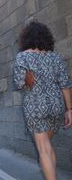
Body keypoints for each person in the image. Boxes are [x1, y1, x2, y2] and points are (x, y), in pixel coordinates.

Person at [14, 21, 72, 180]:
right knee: (47, 145)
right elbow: (65, 84)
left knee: (43, 149)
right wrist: (69, 110)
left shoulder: (22, 57)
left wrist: (27, 77)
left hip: (35, 106)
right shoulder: (55, 57)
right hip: (57, 106)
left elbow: (19, 84)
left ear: (26, 39)